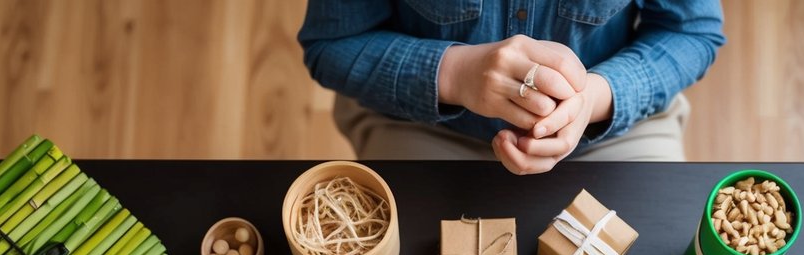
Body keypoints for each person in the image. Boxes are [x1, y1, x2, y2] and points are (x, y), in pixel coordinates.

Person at [298, 2, 726, 174]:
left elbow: (693, 31)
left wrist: (594, 98)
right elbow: (331, 44)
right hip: (422, 122)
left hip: (609, 122)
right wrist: (454, 73)